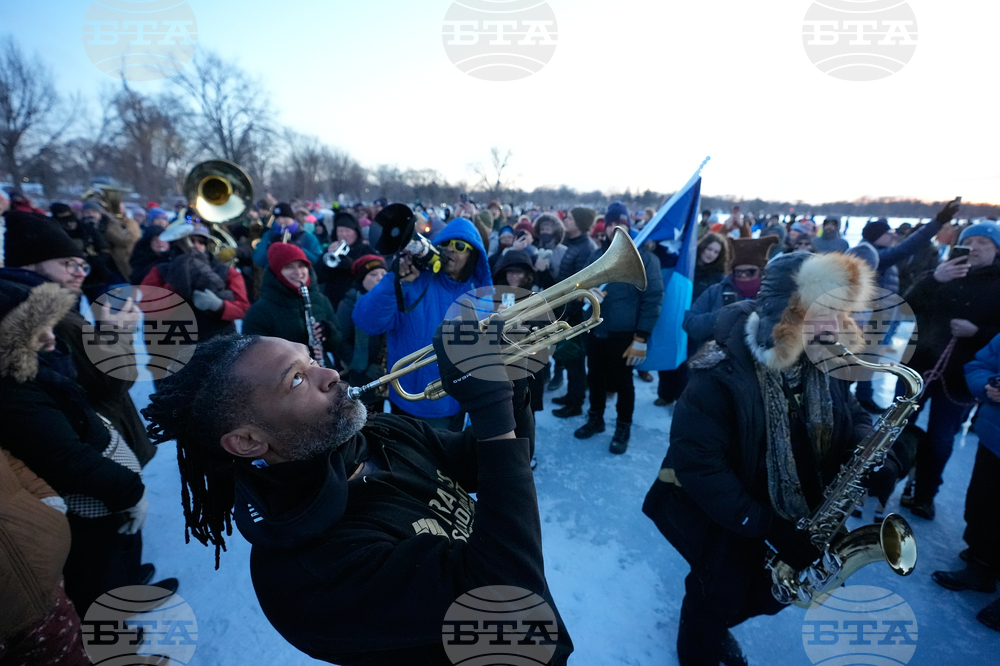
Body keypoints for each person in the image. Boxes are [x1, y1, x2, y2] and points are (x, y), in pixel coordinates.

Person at [141, 328, 574, 664]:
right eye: (296, 380)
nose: (329, 374)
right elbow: (507, 596)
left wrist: (513, 381)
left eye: (310, 360)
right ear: (249, 440)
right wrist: (492, 415)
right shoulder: (307, 574)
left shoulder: (379, 433)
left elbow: (496, 463)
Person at [642, 251, 899, 666]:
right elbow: (698, 464)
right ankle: (698, 649)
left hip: (798, 510)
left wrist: (870, 454)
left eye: (843, 311)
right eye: (827, 310)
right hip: (731, 517)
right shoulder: (720, 372)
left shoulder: (824, 354)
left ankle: (718, 626)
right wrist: (765, 526)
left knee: (761, 592)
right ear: (789, 312)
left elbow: (851, 413)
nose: (838, 323)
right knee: (715, 590)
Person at [0, 276, 176, 615]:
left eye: (47, 324)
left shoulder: (34, 366)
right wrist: (130, 492)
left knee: (120, 548)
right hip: (91, 495)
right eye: (32, 331)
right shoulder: (13, 393)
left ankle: (131, 587)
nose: (50, 337)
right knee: (99, 573)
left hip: (105, 481)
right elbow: (66, 457)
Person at [2, 212, 158, 468]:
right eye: (67, 264)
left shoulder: (33, 300)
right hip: (92, 455)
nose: (79, 274)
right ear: (28, 263)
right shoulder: (44, 312)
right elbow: (111, 381)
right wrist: (116, 330)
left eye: (82, 265)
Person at [899, 221, 1000, 519]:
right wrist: (934, 279)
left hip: (961, 377)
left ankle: (925, 493)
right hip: (918, 367)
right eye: (971, 240)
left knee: (941, 439)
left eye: (985, 242)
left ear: (996, 250)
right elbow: (908, 306)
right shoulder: (941, 273)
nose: (976, 247)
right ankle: (874, 484)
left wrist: (978, 332)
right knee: (895, 428)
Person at [353, 214, 492, 430]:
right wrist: (394, 281)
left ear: (474, 255)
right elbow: (367, 322)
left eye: (460, 245)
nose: (450, 249)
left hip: (451, 404)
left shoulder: (481, 297)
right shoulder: (414, 282)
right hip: (408, 401)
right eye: (445, 243)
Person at [573, 222, 664, 454]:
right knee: (595, 378)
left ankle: (623, 427)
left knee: (623, 383)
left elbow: (652, 299)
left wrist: (641, 337)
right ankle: (596, 418)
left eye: (620, 222)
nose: (614, 228)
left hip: (624, 333)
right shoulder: (597, 254)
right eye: (611, 222)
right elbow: (578, 284)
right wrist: (585, 294)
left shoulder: (647, 259)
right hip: (595, 328)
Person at [930, 331, 1000, 631]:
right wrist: (988, 385)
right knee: (982, 505)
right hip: (994, 438)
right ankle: (980, 568)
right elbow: (978, 363)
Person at [0, 447, 90, 665]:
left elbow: (9, 460)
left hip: (45, 579)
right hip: (10, 618)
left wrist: (46, 498)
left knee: (74, 654)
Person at [142, 214, 250, 343]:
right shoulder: (161, 271)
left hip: (219, 343)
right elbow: (147, 307)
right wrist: (176, 282)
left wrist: (218, 305)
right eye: (191, 241)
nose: (196, 245)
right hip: (176, 344)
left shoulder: (227, 272)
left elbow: (243, 308)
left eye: (201, 242)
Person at [655, 233, 732, 408]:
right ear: (702, 247)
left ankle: (682, 398)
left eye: (715, 251)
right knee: (670, 355)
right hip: (676, 318)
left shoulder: (718, 278)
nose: (711, 254)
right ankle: (665, 393)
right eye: (709, 248)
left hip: (696, 324)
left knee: (688, 362)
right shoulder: (686, 267)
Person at [243, 243, 339, 365]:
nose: (298, 272)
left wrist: (328, 332)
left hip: (322, 372)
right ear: (277, 272)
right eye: (289, 267)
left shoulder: (320, 300)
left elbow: (337, 343)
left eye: (301, 266)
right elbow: (255, 358)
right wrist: (300, 358)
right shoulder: (259, 312)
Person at [683, 236, 778, 352]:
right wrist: (724, 315)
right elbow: (691, 325)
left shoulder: (772, 297)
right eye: (738, 272)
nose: (743, 275)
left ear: (760, 272)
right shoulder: (715, 291)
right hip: (718, 363)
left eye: (750, 272)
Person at [551, 207, 598, 417]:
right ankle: (571, 395)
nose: (565, 220)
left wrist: (567, 314)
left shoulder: (586, 247)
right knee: (569, 358)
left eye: (568, 218)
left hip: (574, 313)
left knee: (576, 360)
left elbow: (580, 287)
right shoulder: (572, 243)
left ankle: (576, 403)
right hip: (566, 309)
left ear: (579, 222)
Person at [335, 255, 388, 412]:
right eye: (373, 275)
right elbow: (340, 341)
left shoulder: (391, 302)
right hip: (360, 377)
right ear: (361, 279)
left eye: (383, 274)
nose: (380, 279)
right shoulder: (349, 304)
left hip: (387, 374)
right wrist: (363, 367)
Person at [317, 211, 375, 310]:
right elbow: (318, 277)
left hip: (359, 301)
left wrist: (351, 265)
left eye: (347, 231)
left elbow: (374, 273)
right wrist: (325, 258)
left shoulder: (366, 250)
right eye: (340, 231)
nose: (343, 234)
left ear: (356, 232)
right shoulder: (329, 251)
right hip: (333, 302)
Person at [253, 202, 323, 269]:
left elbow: (316, 260)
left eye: (284, 217)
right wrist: (272, 249)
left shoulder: (307, 236)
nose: (281, 221)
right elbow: (258, 259)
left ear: (292, 217)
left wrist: (297, 249)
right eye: (277, 218)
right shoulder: (269, 236)